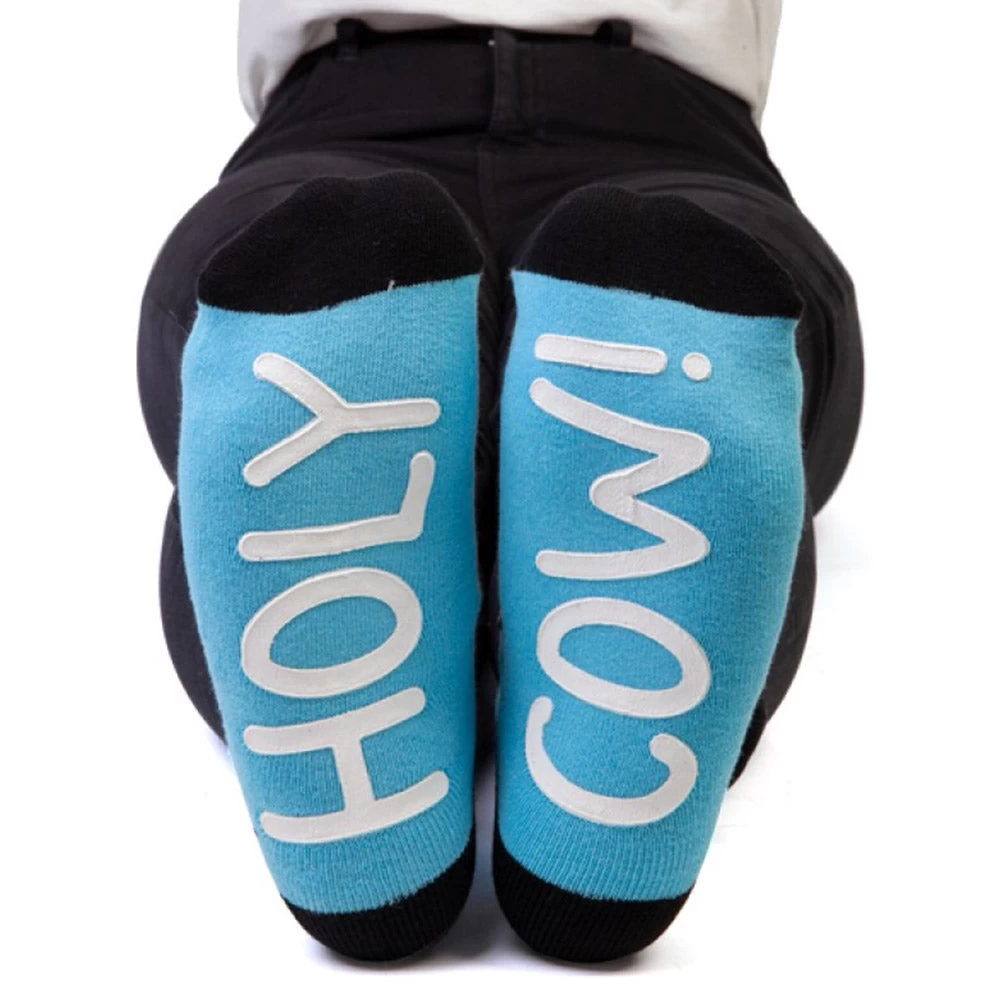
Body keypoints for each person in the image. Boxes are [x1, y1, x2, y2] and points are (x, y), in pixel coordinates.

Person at [138, 1, 863, 965]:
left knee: (288, 333)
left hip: (337, 116)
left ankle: (368, 794)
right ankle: (595, 825)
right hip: (674, 131)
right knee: (702, 333)